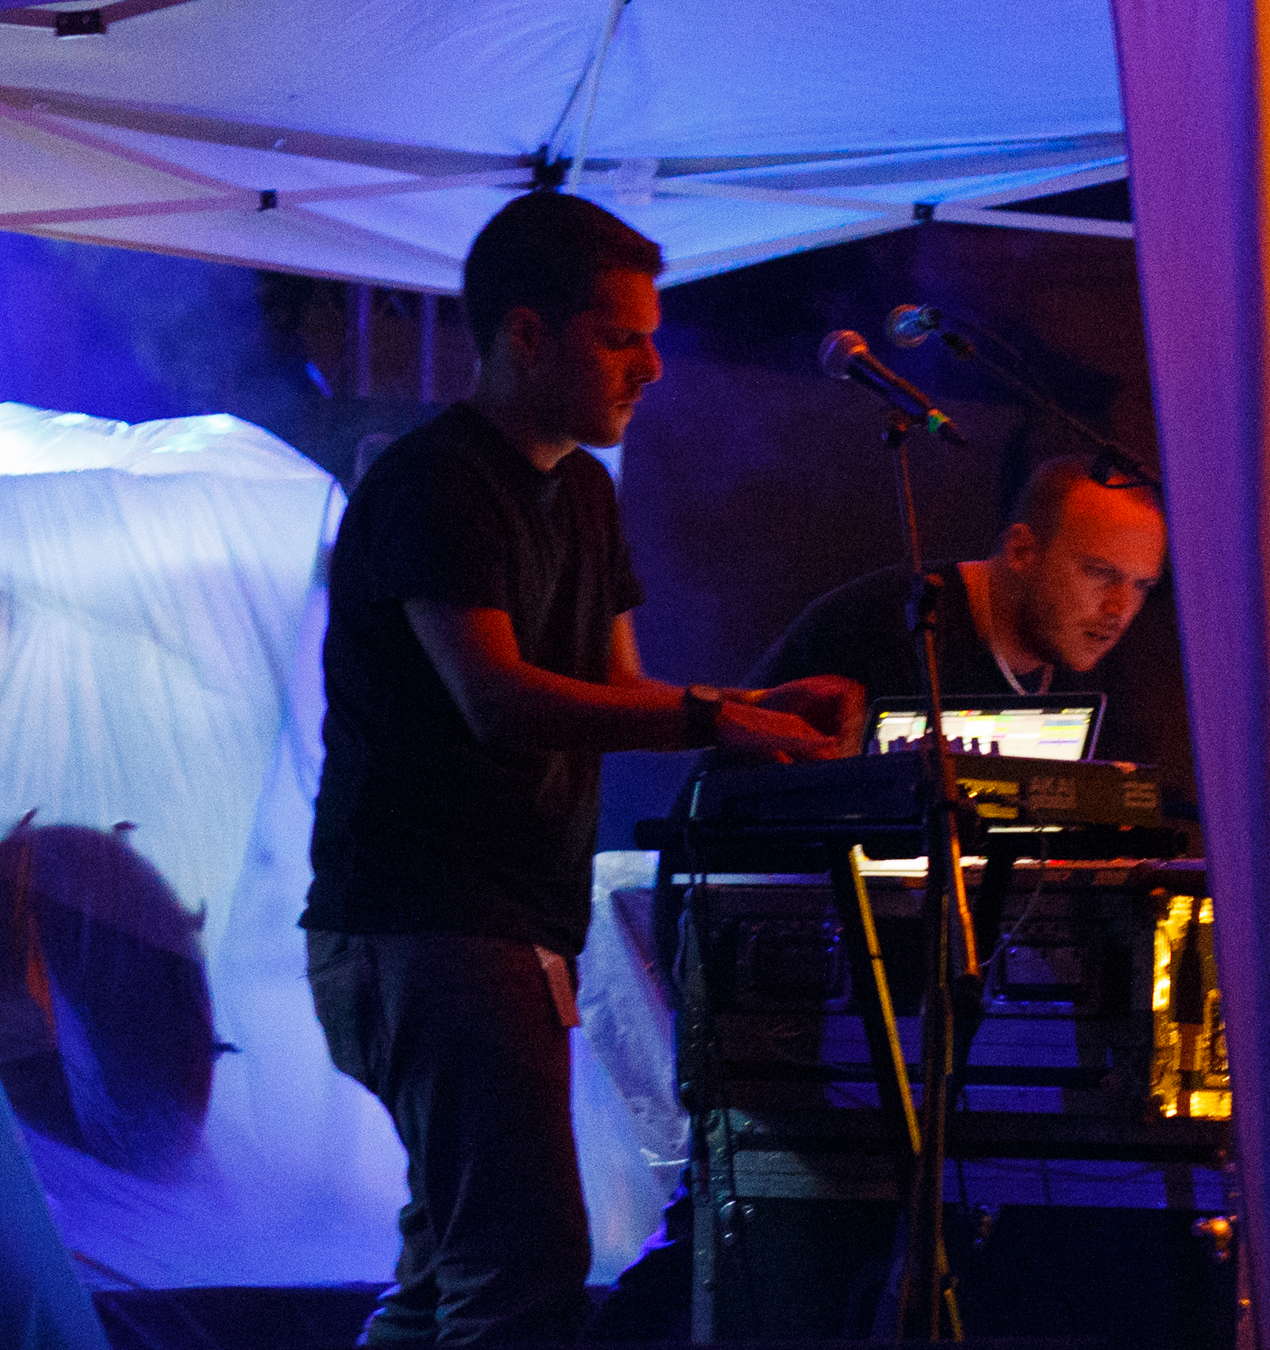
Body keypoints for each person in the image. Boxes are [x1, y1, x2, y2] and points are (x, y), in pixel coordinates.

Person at [300, 190, 860, 1347]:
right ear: (523, 334)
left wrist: (758, 710)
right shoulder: (435, 484)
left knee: (448, 1278)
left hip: (500, 926)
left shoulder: (587, 494)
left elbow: (619, 686)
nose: (652, 367)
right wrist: (715, 721)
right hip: (425, 921)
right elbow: (496, 698)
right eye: (621, 336)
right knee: (524, 1267)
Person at [749, 453, 1171, 767]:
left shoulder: (1087, 653)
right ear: (1022, 551)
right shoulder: (886, 623)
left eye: (1141, 586)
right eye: (1099, 573)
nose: (1119, 608)